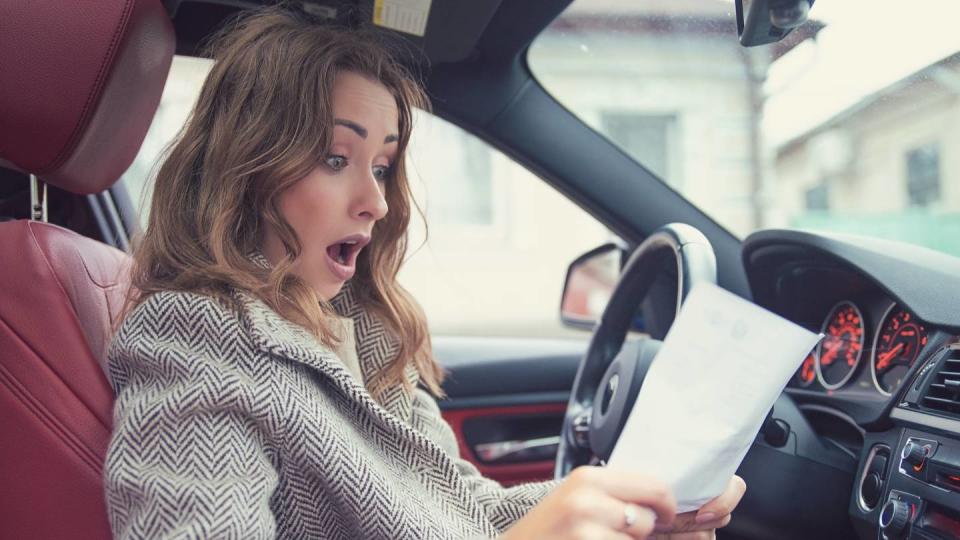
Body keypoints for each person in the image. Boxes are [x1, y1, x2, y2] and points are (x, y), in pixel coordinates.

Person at [104, 7, 745, 539]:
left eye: (381, 167)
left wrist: (632, 508)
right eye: (335, 158)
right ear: (246, 170)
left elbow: (468, 513)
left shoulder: (366, 334)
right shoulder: (194, 333)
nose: (376, 203)